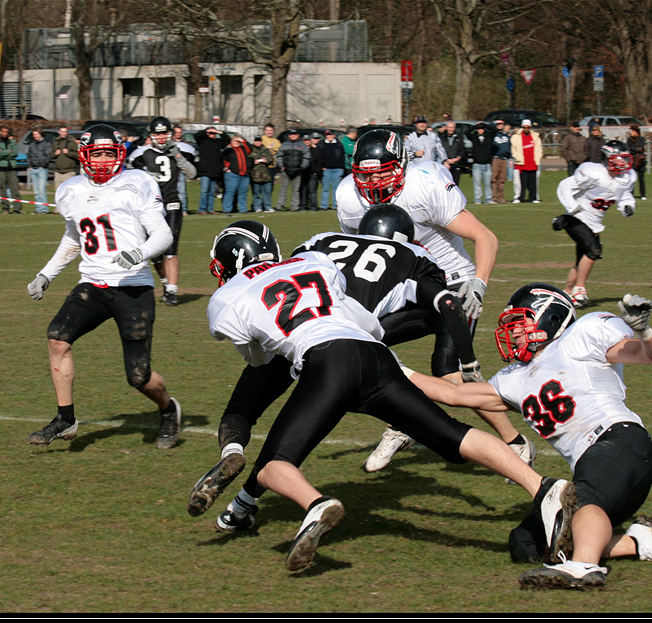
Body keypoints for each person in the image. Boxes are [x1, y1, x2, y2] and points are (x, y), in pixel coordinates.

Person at [200, 221, 577, 572]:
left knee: (273, 463)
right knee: (452, 432)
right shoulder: (312, 262)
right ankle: (542, 486)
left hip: (326, 363)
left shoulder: (226, 300)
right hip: (374, 355)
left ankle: (316, 505)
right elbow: (363, 319)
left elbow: (259, 357)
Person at [188, 205, 504, 518]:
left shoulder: (319, 244)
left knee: (247, 412)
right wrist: (462, 364)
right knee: (443, 401)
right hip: (349, 343)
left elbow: (259, 349)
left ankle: (235, 468)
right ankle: (513, 438)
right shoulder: (409, 257)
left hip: (284, 333)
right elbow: (441, 307)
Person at [405, 284, 652, 589]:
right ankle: (639, 542)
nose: (513, 333)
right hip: (591, 466)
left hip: (619, 443)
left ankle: (584, 567)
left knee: (581, 502)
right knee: (525, 543)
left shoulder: (581, 337)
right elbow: (451, 393)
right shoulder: (515, 377)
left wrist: (645, 331)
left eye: (520, 322)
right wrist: (390, 366)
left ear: (551, 317)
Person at [335, 129, 525, 472]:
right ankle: (402, 422)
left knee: (449, 370)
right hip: (408, 287)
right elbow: (362, 253)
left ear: (402, 165)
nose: (375, 180)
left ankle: (515, 442)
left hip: (454, 284)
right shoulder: (348, 196)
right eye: (366, 173)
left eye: (382, 170)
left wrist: (478, 283)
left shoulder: (426, 184)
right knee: (362, 347)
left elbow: (486, 236)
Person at [24, 124, 181, 450]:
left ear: (119, 154)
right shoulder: (71, 189)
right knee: (57, 338)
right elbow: (74, 238)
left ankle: (168, 409)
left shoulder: (137, 182)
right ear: (85, 154)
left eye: (110, 152)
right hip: (93, 284)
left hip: (133, 287)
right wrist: (46, 274)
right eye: (98, 152)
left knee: (138, 378)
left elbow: (163, 234)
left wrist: (140, 252)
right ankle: (65, 418)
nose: (104, 159)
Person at [552, 140, 637, 308]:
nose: (624, 162)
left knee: (581, 260)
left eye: (625, 158)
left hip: (594, 223)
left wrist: (628, 206)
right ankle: (580, 289)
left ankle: (567, 293)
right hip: (577, 217)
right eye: (620, 158)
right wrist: (571, 207)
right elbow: (565, 185)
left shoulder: (626, 178)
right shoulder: (594, 172)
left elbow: (625, 194)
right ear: (609, 158)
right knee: (594, 250)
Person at [128, 116, 197, 306]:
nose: (161, 137)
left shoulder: (182, 149)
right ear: (151, 135)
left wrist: (177, 156)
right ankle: (166, 285)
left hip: (172, 203)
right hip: (150, 207)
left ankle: (172, 292)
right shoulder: (140, 154)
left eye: (164, 133)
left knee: (171, 249)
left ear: (170, 134)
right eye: (157, 133)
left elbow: (192, 174)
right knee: (155, 253)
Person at [194, 126, 230, 215]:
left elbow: (227, 140)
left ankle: (210, 209)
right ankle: (202, 209)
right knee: (204, 191)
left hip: (215, 171)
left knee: (211, 192)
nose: (213, 135)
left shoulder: (218, 142)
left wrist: (220, 132)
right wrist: (206, 131)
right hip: (205, 171)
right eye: (211, 133)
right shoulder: (202, 141)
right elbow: (196, 136)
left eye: (214, 133)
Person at [275, 129, 310, 211]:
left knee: (296, 190)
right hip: (285, 171)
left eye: (295, 134)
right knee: (283, 189)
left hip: (297, 171)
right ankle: (280, 205)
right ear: (289, 136)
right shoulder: (284, 145)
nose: (293, 136)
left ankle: (294, 206)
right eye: (291, 134)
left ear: (298, 135)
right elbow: (279, 156)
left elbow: (307, 157)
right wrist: (281, 166)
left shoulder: (302, 145)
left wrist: (302, 167)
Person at [512, 120, 541, 204]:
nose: (526, 129)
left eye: (528, 127)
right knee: (520, 183)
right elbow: (514, 149)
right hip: (521, 163)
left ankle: (533, 197)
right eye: (524, 127)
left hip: (532, 163)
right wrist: (517, 158)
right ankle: (519, 197)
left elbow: (539, 149)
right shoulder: (516, 137)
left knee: (532, 182)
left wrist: (537, 158)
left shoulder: (535, 137)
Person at [221, 134, 252, 214]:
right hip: (233, 174)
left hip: (244, 174)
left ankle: (243, 209)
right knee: (230, 192)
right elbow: (223, 159)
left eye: (239, 141)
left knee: (243, 193)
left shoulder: (243, 149)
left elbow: (250, 149)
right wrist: (226, 169)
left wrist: (243, 141)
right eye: (236, 141)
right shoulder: (229, 149)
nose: (237, 142)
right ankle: (227, 209)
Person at [0, 126, 22, 214]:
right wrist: (8, 151)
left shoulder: (12, 142)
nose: (5, 133)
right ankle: (5, 208)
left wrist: (4, 153)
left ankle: (17, 209)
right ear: (0, 132)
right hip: (1, 168)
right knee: (2, 189)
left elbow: (15, 153)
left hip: (11, 168)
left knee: (15, 189)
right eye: (3, 132)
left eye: (6, 132)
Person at [27, 129, 52, 215]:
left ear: (41, 134)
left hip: (42, 169)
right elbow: (29, 155)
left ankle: (44, 209)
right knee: (36, 191)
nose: (35, 136)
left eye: (37, 134)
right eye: (34, 134)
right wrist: (30, 165)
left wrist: (43, 165)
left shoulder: (46, 144)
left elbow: (48, 156)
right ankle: (38, 209)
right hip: (33, 169)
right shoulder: (32, 144)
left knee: (42, 190)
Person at [319, 130, 345, 210]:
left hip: (337, 169)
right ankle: (324, 205)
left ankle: (335, 205)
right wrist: (322, 166)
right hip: (326, 169)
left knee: (336, 189)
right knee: (325, 188)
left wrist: (341, 168)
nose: (329, 136)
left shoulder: (339, 144)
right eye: (328, 135)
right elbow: (319, 157)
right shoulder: (322, 144)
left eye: (331, 135)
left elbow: (342, 157)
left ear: (334, 135)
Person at [249, 136, 275, 213]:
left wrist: (266, 160)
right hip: (255, 175)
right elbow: (248, 159)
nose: (258, 142)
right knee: (256, 193)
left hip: (265, 175)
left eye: (259, 141)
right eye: (256, 141)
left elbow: (271, 158)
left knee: (267, 192)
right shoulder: (250, 150)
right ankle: (257, 207)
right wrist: (253, 161)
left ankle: (268, 207)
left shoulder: (265, 150)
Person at [468, 123, 493, 204]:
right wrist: (475, 126)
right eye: (479, 129)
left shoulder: (489, 136)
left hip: (487, 164)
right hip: (477, 164)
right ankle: (477, 199)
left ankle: (488, 198)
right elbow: (466, 132)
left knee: (487, 183)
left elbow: (494, 129)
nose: (480, 130)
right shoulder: (474, 137)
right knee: (477, 183)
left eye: (482, 128)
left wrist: (485, 125)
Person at [52, 126, 80, 191]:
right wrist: (55, 154)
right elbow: (51, 155)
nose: (64, 133)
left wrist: (68, 152)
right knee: (58, 192)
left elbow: (77, 155)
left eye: (65, 132)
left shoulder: (72, 142)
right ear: (59, 132)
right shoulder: (56, 142)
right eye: (62, 132)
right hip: (58, 172)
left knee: (69, 192)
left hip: (69, 172)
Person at [299, 133, 322, 211]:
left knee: (312, 191)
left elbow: (319, 162)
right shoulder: (300, 150)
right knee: (303, 191)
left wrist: (316, 172)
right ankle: (303, 206)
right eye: (305, 140)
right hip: (303, 173)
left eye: (308, 140)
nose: (306, 142)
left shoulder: (315, 150)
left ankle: (313, 207)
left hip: (312, 174)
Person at [172, 125, 192, 215]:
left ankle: (183, 209)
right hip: (171, 170)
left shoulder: (185, 145)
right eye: (177, 132)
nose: (178, 134)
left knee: (182, 191)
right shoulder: (169, 144)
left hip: (180, 171)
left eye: (180, 132)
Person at [490, 119, 511, 204]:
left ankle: (501, 197)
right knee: (494, 178)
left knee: (502, 179)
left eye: (502, 123)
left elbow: (509, 146)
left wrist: (510, 157)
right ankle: (493, 197)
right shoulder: (493, 134)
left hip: (504, 158)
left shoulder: (506, 135)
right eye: (498, 124)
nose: (500, 125)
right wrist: (494, 123)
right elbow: (489, 126)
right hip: (495, 158)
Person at [439, 121, 466, 185]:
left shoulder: (459, 137)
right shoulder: (442, 137)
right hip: (445, 164)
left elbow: (462, 150)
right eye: (449, 127)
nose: (451, 129)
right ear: (446, 128)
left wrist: (456, 159)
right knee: (444, 184)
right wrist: (445, 160)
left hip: (456, 164)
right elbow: (439, 150)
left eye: (452, 127)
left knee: (455, 185)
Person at [261, 123, 281, 204]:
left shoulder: (276, 141)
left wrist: (271, 148)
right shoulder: (262, 139)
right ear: (264, 131)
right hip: (263, 167)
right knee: (261, 188)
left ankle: (266, 204)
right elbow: (263, 148)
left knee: (270, 187)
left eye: (271, 130)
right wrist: (271, 148)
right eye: (267, 130)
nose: (269, 132)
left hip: (272, 167)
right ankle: (258, 205)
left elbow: (279, 148)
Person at [626, 125, 647, 201]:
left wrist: (633, 149)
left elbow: (640, 148)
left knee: (641, 179)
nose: (631, 133)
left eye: (633, 131)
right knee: (631, 179)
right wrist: (635, 149)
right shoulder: (629, 140)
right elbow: (628, 149)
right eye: (631, 131)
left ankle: (643, 194)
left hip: (640, 161)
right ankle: (631, 194)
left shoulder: (641, 139)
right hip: (632, 161)